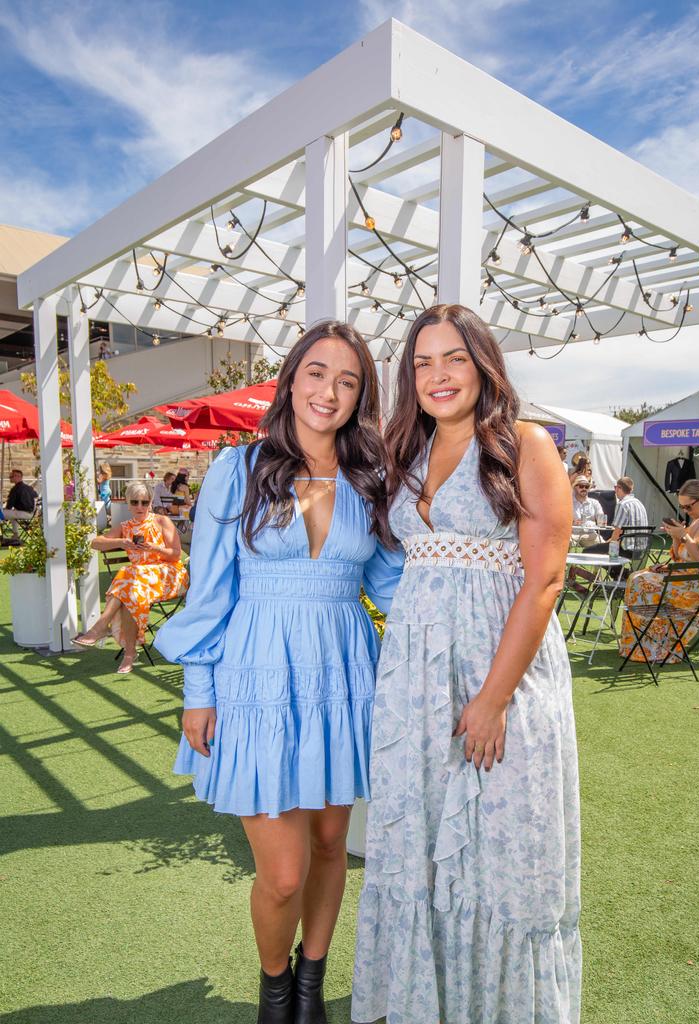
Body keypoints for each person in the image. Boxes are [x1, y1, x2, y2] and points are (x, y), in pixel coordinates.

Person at [154, 321, 403, 1024]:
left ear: (361, 397)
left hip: (343, 675)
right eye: (317, 373)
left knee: (332, 847)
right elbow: (209, 591)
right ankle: (273, 991)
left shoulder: (370, 479)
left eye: (348, 380)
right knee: (282, 872)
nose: (329, 390)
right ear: (292, 379)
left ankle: (309, 988)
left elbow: (389, 585)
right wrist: (198, 691)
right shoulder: (239, 467)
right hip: (257, 677)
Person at [353, 304, 580, 1024]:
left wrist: (493, 698)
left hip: (500, 675)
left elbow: (544, 579)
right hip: (413, 681)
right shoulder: (403, 450)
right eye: (421, 362)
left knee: (503, 849)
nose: (436, 375)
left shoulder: (525, 443)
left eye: (453, 358)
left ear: (483, 364)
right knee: (417, 841)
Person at [73, 482, 189, 674]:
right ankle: (129, 654)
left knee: (128, 574)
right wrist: (122, 541)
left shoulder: (161, 521)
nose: (140, 507)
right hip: (138, 583)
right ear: (127, 503)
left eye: (145, 502)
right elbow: (95, 543)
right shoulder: (124, 527)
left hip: (169, 576)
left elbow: (176, 555)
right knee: (131, 593)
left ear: (151, 503)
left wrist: (155, 548)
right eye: (135, 502)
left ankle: (102, 625)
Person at [619, 479, 699, 663]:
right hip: (692, 576)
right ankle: (641, 644)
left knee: (643, 582)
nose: (685, 511)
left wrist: (684, 535)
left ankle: (655, 646)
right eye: (682, 507)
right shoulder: (698, 520)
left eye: (688, 507)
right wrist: (676, 537)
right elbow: (680, 557)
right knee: (636, 577)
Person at [584, 476, 648, 556]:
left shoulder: (622, 504)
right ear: (631, 489)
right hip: (642, 549)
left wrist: (607, 545)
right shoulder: (639, 503)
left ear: (618, 488)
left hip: (627, 549)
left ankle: (616, 568)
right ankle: (619, 568)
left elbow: (617, 532)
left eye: (615, 487)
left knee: (587, 551)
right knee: (604, 547)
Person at [4, 468, 38, 541]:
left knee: (3, 513)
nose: (10, 478)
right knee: (12, 515)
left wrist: (4, 511)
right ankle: (15, 535)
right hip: (32, 514)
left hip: (24, 513)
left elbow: (9, 506)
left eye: (11, 476)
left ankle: (13, 534)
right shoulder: (29, 488)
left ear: (18, 477)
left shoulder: (15, 489)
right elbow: (36, 497)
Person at [571, 474, 602, 548]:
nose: (584, 488)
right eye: (581, 486)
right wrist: (573, 522)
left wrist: (591, 523)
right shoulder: (569, 503)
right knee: (565, 543)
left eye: (586, 486)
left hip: (590, 534)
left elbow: (601, 519)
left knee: (602, 546)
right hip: (573, 534)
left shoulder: (595, 502)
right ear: (575, 487)